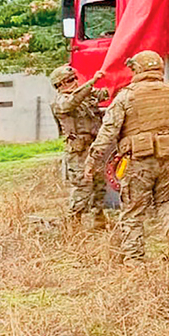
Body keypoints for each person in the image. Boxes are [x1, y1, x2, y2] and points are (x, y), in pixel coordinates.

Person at [85, 50, 169, 263]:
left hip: (139, 160)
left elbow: (108, 131)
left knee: (133, 210)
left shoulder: (127, 96)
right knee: (168, 200)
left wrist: (92, 159)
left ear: (137, 70)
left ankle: (134, 260)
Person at [49, 65, 109, 228]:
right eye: (69, 80)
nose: (74, 82)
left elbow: (105, 94)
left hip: (94, 148)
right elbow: (72, 103)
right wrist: (92, 82)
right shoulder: (61, 101)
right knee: (83, 186)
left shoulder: (85, 95)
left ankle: (99, 219)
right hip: (78, 151)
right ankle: (73, 222)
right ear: (59, 85)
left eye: (74, 78)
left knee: (99, 185)